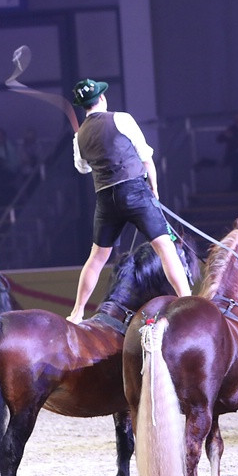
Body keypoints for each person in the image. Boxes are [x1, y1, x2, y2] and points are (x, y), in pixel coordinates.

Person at [67, 78, 191, 323]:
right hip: (134, 191)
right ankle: (186, 299)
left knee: (97, 257)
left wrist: (83, 141)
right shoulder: (121, 119)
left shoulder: (78, 136)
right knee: (164, 247)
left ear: (84, 107)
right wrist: (154, 189)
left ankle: (77, 312)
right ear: (101, 98)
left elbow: (82, 168)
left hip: (105, 200)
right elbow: (146, 157)